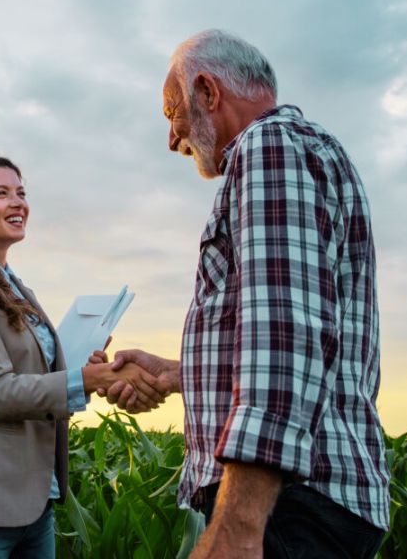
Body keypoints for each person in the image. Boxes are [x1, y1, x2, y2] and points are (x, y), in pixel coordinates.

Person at [100, 30, 391, 558]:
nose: (172, 138)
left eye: (172, 112)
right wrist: (176, 373)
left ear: (208, 92)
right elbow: (299, 329)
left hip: (288, 506)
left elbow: (284, 335)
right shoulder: (301, 151)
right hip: (302, 502)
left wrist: (237, 527)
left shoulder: (268, 146)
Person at [0, 152, 164, 559]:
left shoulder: (20, 291)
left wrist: (87, 370)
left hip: (34, 507)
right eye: (1, 193)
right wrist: (86, 381)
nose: (18, 203)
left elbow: (40, 384)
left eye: (21, 192)